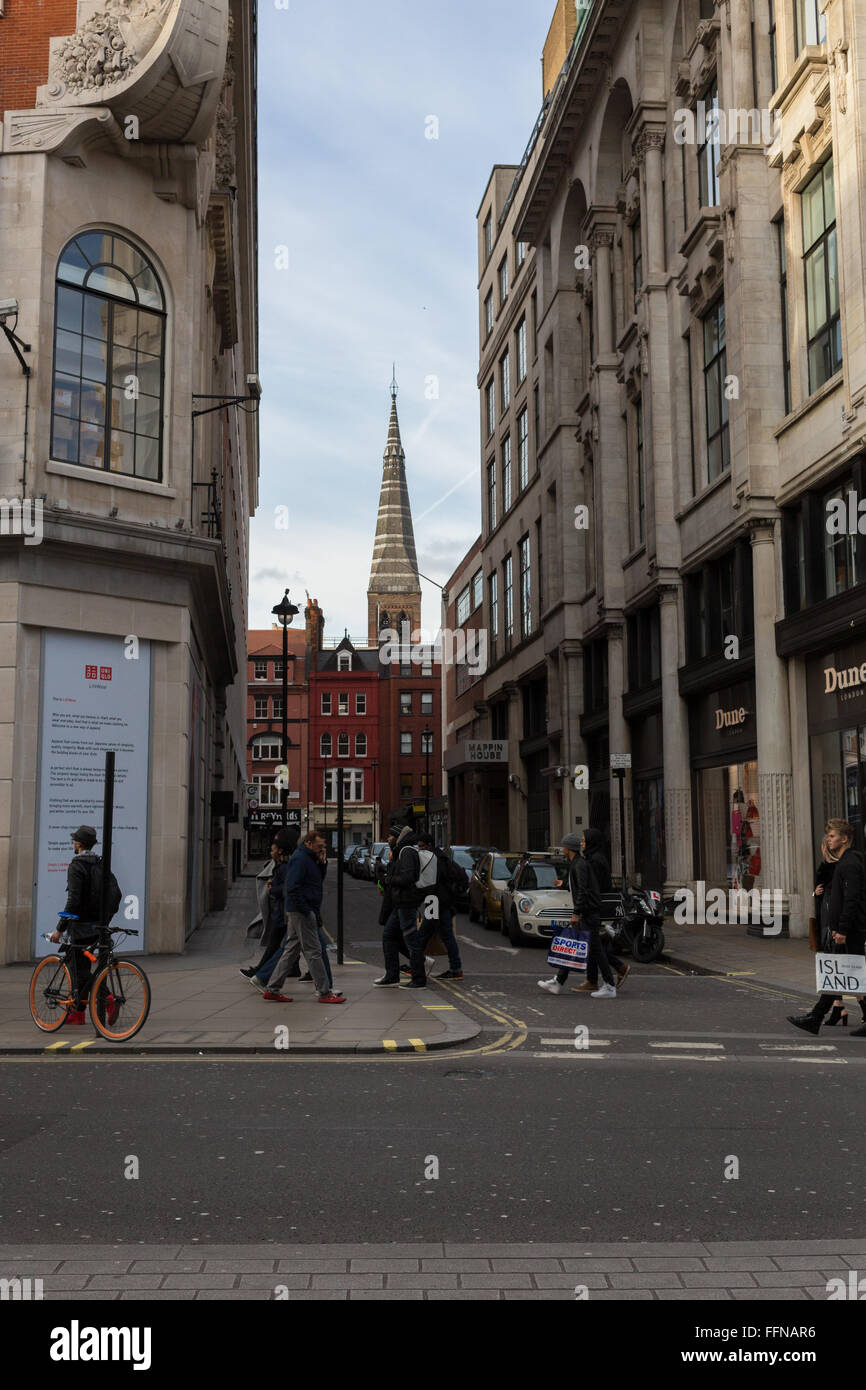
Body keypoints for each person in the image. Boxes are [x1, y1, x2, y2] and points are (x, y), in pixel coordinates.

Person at [788, 819, 866, 1035]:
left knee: (846, 974)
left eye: (832, 836)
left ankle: (815, 1017)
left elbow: (852, 900)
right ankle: (816, 1017)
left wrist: (842, 929)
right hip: (845, 929)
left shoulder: (850, 864)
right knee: (847, 974)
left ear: (845, 838)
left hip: (849, 931)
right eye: (829, 836)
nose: (829, 840)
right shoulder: (845, 863)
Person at [261, 831, 345, 1004]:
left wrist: (322, 864)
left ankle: (272, 989)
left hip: (300, 909)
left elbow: (315, 882)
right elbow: (292, 887)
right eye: (319, 846)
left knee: (291, 949)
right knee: (314, 951)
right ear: (308, 843)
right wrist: (306, 910)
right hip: (301, 911)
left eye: (324, 847)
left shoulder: (309, 858)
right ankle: (324, 992)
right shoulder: (300, 859)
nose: (322, 849)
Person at [538, 831, 616, 998]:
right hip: (587, 913)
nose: (562, 847)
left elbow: (583, 890)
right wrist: (564, 884)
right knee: (571, 946)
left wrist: (576, 913)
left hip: (588, 913)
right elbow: (578, 885)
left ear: (569, 848)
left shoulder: (579, 864)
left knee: (596, 951)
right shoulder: (577, 863)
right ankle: (558, 982)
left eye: (564, 845)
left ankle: (610, 986)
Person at [49, 826, 103, 1024]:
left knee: (77, 969)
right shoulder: (99, 864)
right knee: (83, 967)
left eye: (74, 841)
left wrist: (59, 929)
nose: (73, 843)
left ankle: (104, 999)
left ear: (79, 844)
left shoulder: (76, 866)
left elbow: (73, 902)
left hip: (79, 927)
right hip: (96, 925)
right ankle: (78, 1011)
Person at [570, 827, 629, 994]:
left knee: (593, 944)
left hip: (595, 907)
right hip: (595, 906)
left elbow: (590, 885)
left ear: (591, 841)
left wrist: (579, 909)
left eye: (584, 840)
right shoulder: (593, 857)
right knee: (593, 944)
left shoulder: (595, 860)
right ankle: (595, 979)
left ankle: (610, 974)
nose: (582, 843)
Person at [374, 824, 429, 989]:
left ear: (398, 837)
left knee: (412, 941)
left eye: (391, 835)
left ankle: (419, 980)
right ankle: (392, 976)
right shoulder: (402, 852)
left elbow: (408, 877)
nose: (388, 838)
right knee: (389, 937)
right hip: (400, 904)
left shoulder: (407, 852)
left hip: (407, 903)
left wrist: (388, 880)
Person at [240, 830, 297, 987]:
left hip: (285, 914)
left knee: (285, 947)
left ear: (279, 850)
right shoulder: (281, 866)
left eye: (273, 848)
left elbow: (286, 889)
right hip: (283, 913)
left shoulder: (284, 867)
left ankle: (261, 974)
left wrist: (272, 889)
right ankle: (265, 972)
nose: (270, 851)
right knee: (287, 945)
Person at [416, 832, 464, 980]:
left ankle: (454, 968)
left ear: (429, 845)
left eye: (422, 846)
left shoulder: (434, 859)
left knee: (428, 935)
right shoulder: (442, 857)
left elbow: (432, 883)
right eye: (418, 847)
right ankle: (454, 968)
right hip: (440, 901)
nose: (420, 850)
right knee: (428, 934)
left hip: (436, 902)